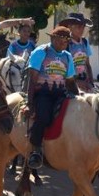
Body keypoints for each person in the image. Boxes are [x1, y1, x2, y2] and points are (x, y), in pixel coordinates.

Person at [25, 25, 78, 170]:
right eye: (61, 39)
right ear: (53, 38)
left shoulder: (67, 56)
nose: (64, 43)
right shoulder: (41, 52)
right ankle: (36, 151)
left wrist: (81, 98)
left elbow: (70, 81)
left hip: (61, 94)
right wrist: (29, 103)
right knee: (43, 117)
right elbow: (32, 79)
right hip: (43, 94)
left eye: (67, 40)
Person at [60, 12, 95, 93]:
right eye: (79, 27)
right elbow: (64, 68)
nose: (82, 30)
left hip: (85, 81)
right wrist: (75, 82)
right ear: (69, 27)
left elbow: (87, 65)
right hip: (69, 83)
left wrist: (91, 83)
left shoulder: (85, 42)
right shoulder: (65, 43)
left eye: (83, 27)